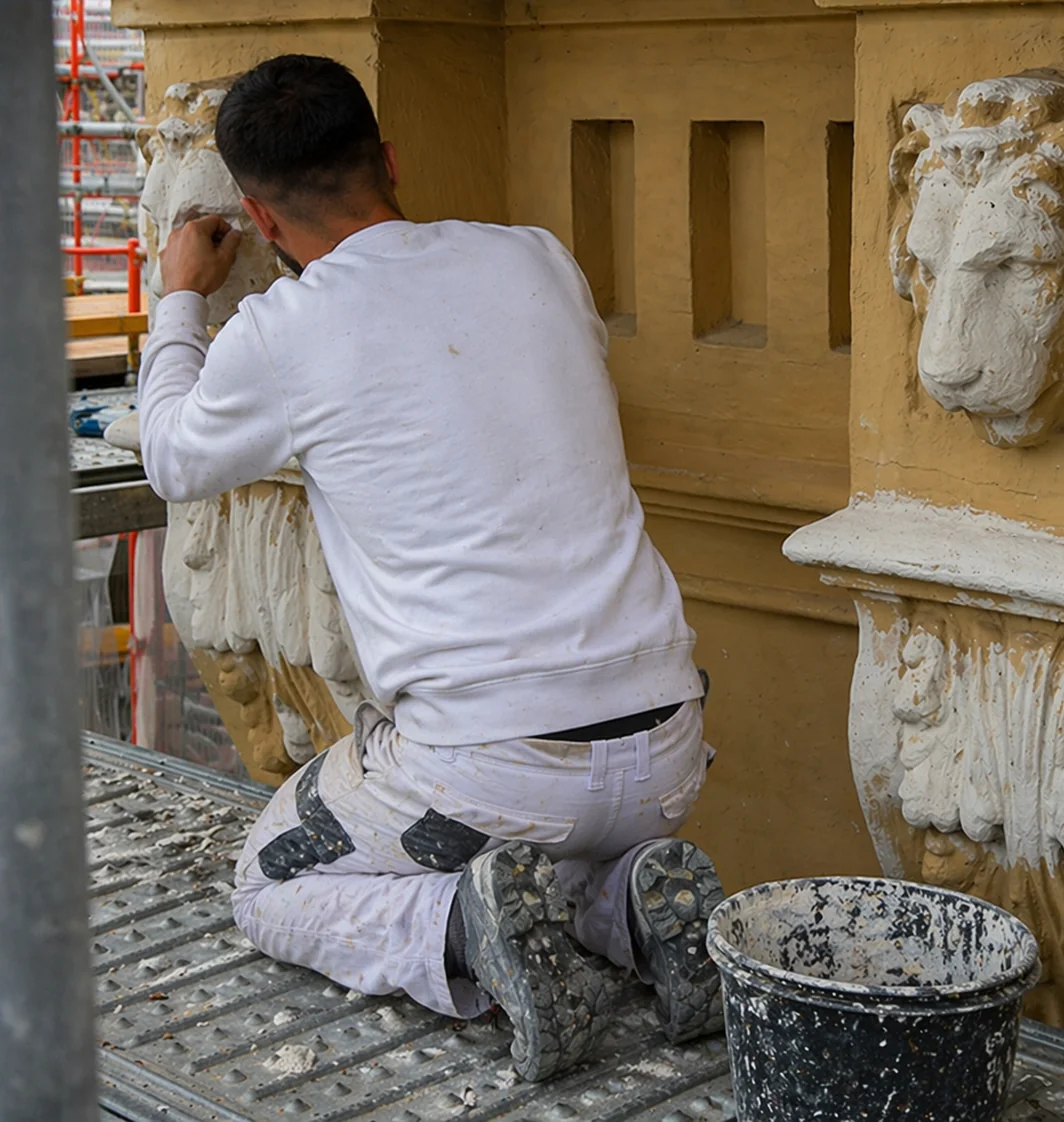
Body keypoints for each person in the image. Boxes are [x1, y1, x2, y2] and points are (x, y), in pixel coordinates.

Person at [138, 53, 725, 1081]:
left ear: (259, 220)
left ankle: (461, 930)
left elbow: (174, 458)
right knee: (530, 850)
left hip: (489, 774)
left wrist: (178, 298)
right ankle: (625, 908)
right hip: (670, 747)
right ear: (391, 160)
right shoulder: (538, 259)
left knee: (270, 884)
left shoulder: (283, 331)